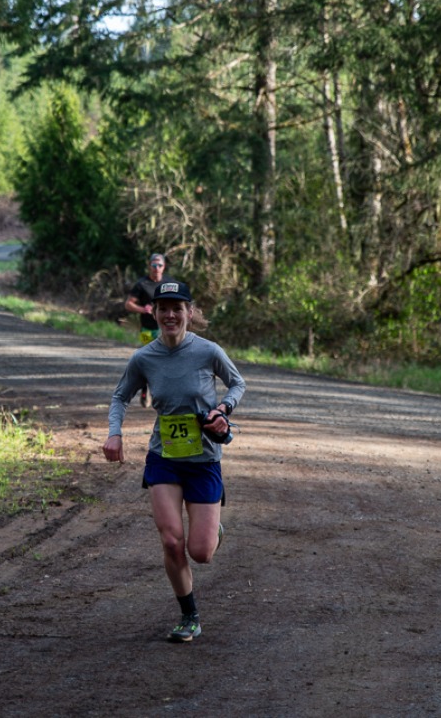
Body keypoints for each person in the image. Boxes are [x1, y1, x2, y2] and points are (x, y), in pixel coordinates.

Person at [102, 280, 246, 643]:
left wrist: (223, 408)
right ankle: (189, 615)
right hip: (163, 457)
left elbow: (237, 383)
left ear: (189, 312)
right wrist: (114, 433)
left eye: (177, 308)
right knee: (170, 541)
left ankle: (212, 532)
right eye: (162, 307)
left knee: (201, 552)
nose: (169, 314)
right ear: (153, 312)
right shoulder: (144, 357)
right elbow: (120, 396)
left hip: (203, 458)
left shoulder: (209, 351)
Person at [124, 253, 174, 406]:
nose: (156, 268)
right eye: (154, 265)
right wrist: (142, 309)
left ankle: (163, 392)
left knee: (165, 358)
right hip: (146, 329)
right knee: (146, 358)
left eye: (159, 265)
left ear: (164, 267)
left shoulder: (170, 284)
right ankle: (145, 387)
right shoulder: (142, 284)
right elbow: (128, 304)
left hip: (163, 329)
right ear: (149, 266)